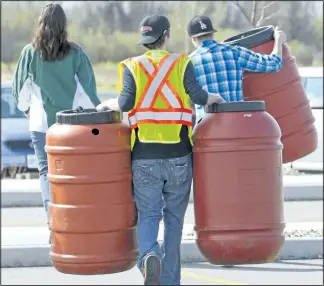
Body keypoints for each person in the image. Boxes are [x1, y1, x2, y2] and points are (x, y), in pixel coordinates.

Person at [96, 14, 224, 285]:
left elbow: (126, 103)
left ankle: (149, 256)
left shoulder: (132, 66)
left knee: (149, 215)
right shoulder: (182, 63)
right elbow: (199, 98)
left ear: (145, 39)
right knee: (174, 221)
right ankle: (169, 281)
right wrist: (216, 99)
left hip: (144, 156)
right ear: (166, 35)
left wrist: (108, 104)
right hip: (179, 154)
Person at [12, 3, 100, 238]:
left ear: (41, 23)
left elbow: (20, 93)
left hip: (41, 126)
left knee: (46, 173)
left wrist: (28, 111)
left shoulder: (29, 53)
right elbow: (88, 94)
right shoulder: (76, 53)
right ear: (64, 26)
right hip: (71, 127)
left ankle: (55, 225)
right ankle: (75, 222)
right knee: (72, 174)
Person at [187, 15, 287, 121]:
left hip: (206, 128)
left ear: (193, 39)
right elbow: (274, 64)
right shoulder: (235, 52)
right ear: (212, 34)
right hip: (236, 124)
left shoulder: (189, 63)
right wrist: (278, 40)